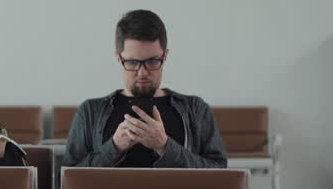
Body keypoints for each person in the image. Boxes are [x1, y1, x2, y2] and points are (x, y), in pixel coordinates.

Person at [64, 10, 227, 168]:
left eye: (153, 61)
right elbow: (65, 180)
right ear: (118, 58)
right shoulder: (90, 112)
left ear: (165, 55)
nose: (142, 73)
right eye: (133, 62)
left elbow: (220, 175)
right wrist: (114, 147)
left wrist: (164, 146)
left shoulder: (195, 109)